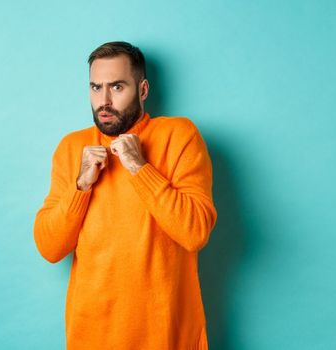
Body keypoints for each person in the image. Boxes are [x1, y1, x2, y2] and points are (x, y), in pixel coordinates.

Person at [33, 41, 217, 349]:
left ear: (142, 90)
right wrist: (82, 186)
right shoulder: (71, 148)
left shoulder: (179, 135)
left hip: (167, 335)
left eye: (117, 87)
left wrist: (139, 167)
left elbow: (195, 232)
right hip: (92, 336)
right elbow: (50, 247)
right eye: (95, 88)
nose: (103, 101)